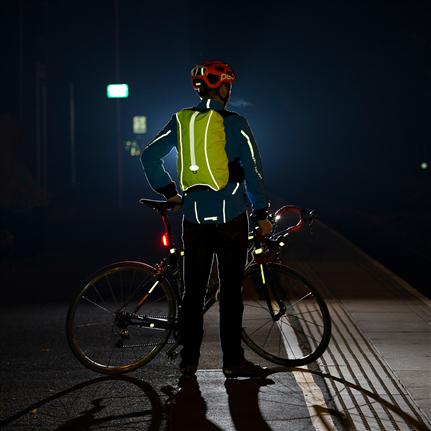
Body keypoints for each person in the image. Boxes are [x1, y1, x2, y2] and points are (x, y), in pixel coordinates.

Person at [141, 60, 272, 378]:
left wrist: (170, 191)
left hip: (194, 219)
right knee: (230, 293)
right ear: (224, 88)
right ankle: (232, 362)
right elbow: (253, 171)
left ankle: (189, 363)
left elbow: (149, 155)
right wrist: (261, 213)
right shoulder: (236, 122)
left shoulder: (181, 120)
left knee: (192, 292)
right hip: (231, 219)